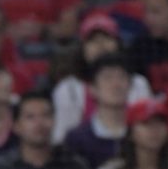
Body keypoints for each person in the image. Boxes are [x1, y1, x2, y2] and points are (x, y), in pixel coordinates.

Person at [50, 13, 154, 144]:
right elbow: (61, 138)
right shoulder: (68, 89)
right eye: (92, 40)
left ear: (118, 44)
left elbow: (147, 127)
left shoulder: (138, 83)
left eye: (107, 38)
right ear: (82, 49)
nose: (101, 45)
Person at [63, 52, 131, 169]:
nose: (116, 85)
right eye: (108, 78)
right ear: (92, 88)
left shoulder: (141, 132)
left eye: (122, 77)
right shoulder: (77, 139)